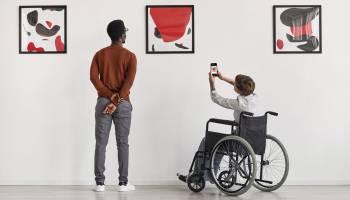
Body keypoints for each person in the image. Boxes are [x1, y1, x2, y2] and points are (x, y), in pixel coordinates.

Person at [178, 70, 258, 182]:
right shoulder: (253, 96)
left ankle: (198, 176)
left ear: (239, 90)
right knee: (219, 145)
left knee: (207, 141)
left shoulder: (239, 104)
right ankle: (210, 175)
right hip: (253, 139)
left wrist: (212, 83)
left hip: (239, 142)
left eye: (235, 85)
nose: (233, 85)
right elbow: (239, 86)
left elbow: (217, 99)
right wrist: (223, 78)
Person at [90, 19, 137, 192]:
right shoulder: (130, 56)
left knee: (101, 143)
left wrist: (109, 97)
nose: (126, 35)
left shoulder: (99, 54)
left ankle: (100, 184)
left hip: (103, 102)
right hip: (123, 103)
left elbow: (94, 78)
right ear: (121, 35)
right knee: (123, 143)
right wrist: (116, 101)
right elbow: (129, 82)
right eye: (125, 32)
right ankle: (123, 184)